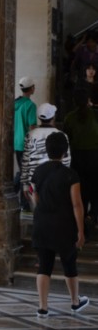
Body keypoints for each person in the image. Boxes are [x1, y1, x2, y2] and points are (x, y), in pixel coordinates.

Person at [31, 131, 88, 318]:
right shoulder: (70, 175)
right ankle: (74, 302)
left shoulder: (38, 171)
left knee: (44, 265)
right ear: (65, 151)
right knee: (69, 264)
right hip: (64, 225)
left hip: (42, 223)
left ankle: (42, 307)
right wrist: (81, 230)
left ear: (46, 150)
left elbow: (35, 197)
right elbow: (77, 204)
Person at [21, 103, 71, 206]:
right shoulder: (62, 135)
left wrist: (25, 185)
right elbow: (66, 161)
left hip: (33, 183)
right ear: (53, 117)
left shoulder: (30, 135)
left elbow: (25, 161)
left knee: (38, 213)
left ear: (39, 117)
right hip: (57, 182)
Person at [63, 89, 98, 232]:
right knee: (95, 188)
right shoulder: (95, 115)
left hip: (77, 157)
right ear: (88, 100)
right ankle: (93, 216)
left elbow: (67, 139)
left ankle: (81, 221)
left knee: (80, 189)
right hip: (95, 156)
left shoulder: (69, 117)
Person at [14, 77, 37, 168]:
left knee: (21, 169)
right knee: (26, 172)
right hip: (25, 144)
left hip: (16, 142)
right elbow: (32, 127)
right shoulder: (31, 105)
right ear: (31, 88)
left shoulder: (15, 103)